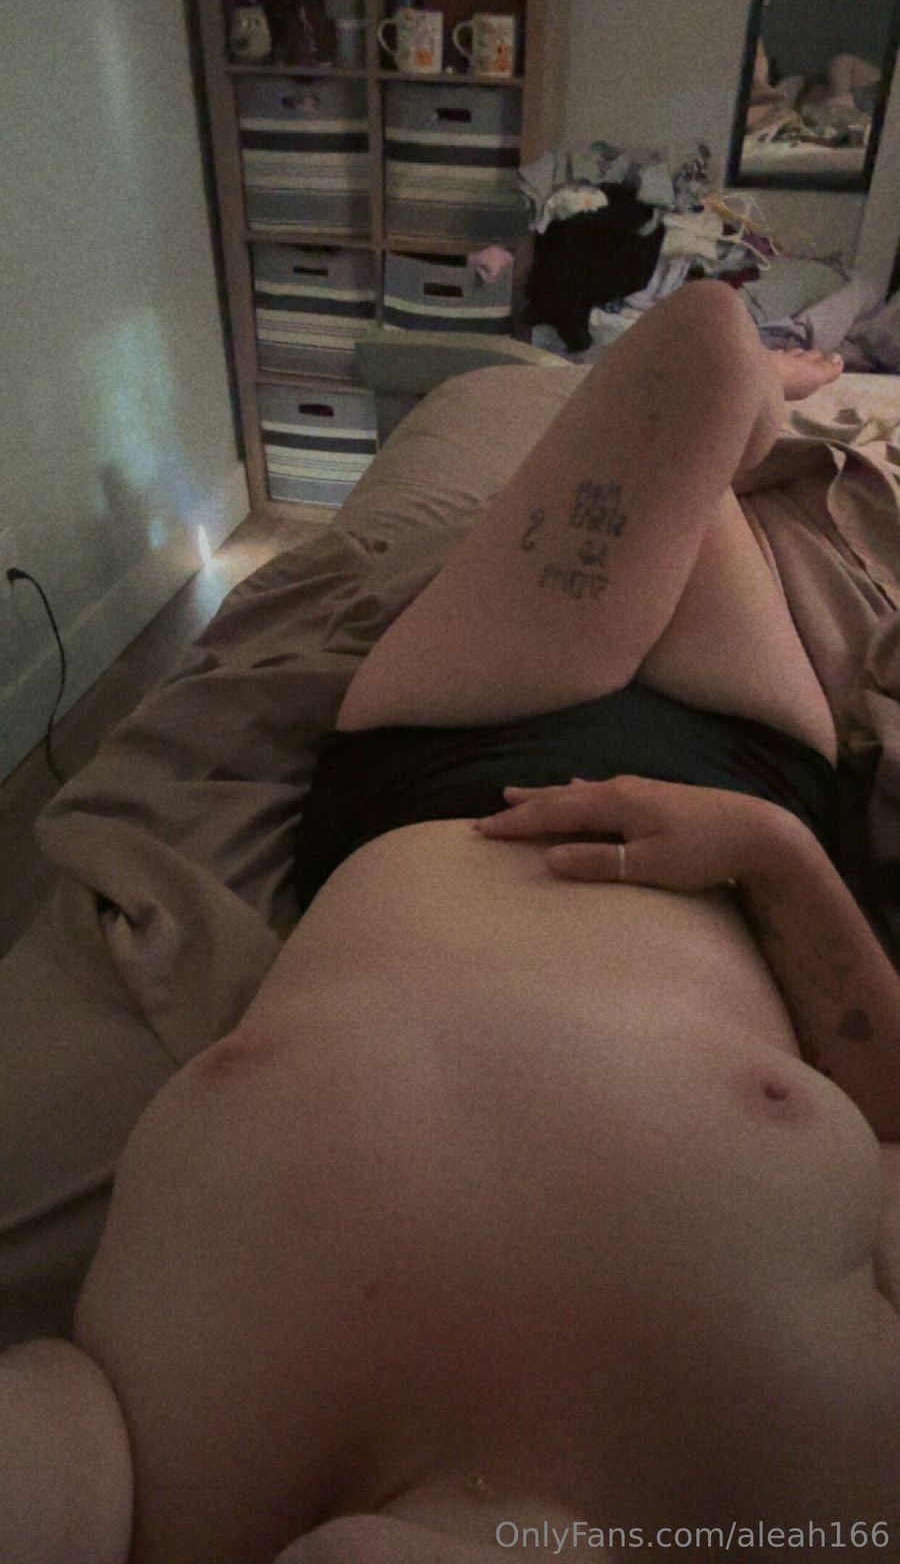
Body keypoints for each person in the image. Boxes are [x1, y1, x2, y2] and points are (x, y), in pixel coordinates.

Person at [2, 280, 900, 1564]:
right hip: (733, 786)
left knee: (694, 359)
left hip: (450, 746)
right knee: (708, 348)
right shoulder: (833, 1493)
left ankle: (761, 400)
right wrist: (773, 856)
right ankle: (777, 399)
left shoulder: (143, 1493)